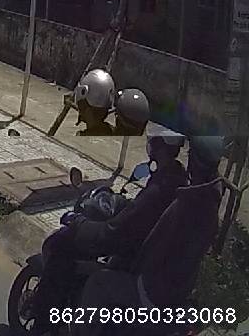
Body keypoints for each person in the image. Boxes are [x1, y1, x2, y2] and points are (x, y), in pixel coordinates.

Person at [23, 128, 188, 334]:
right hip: (149, 263)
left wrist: (80, 224)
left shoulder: (161, 188)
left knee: (61, 247)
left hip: (136, 263)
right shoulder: (176, 179)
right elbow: (138, 213)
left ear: (157, 145)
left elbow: (114, 232)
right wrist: (124, 206)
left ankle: (43, 326)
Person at [70, 136, 227, 336]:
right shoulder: (201, 195)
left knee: (99, 282)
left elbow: (136, 235)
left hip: (155, 290)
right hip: (174, 288)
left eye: (192, 155)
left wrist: (80, 224)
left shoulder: (188, 201)